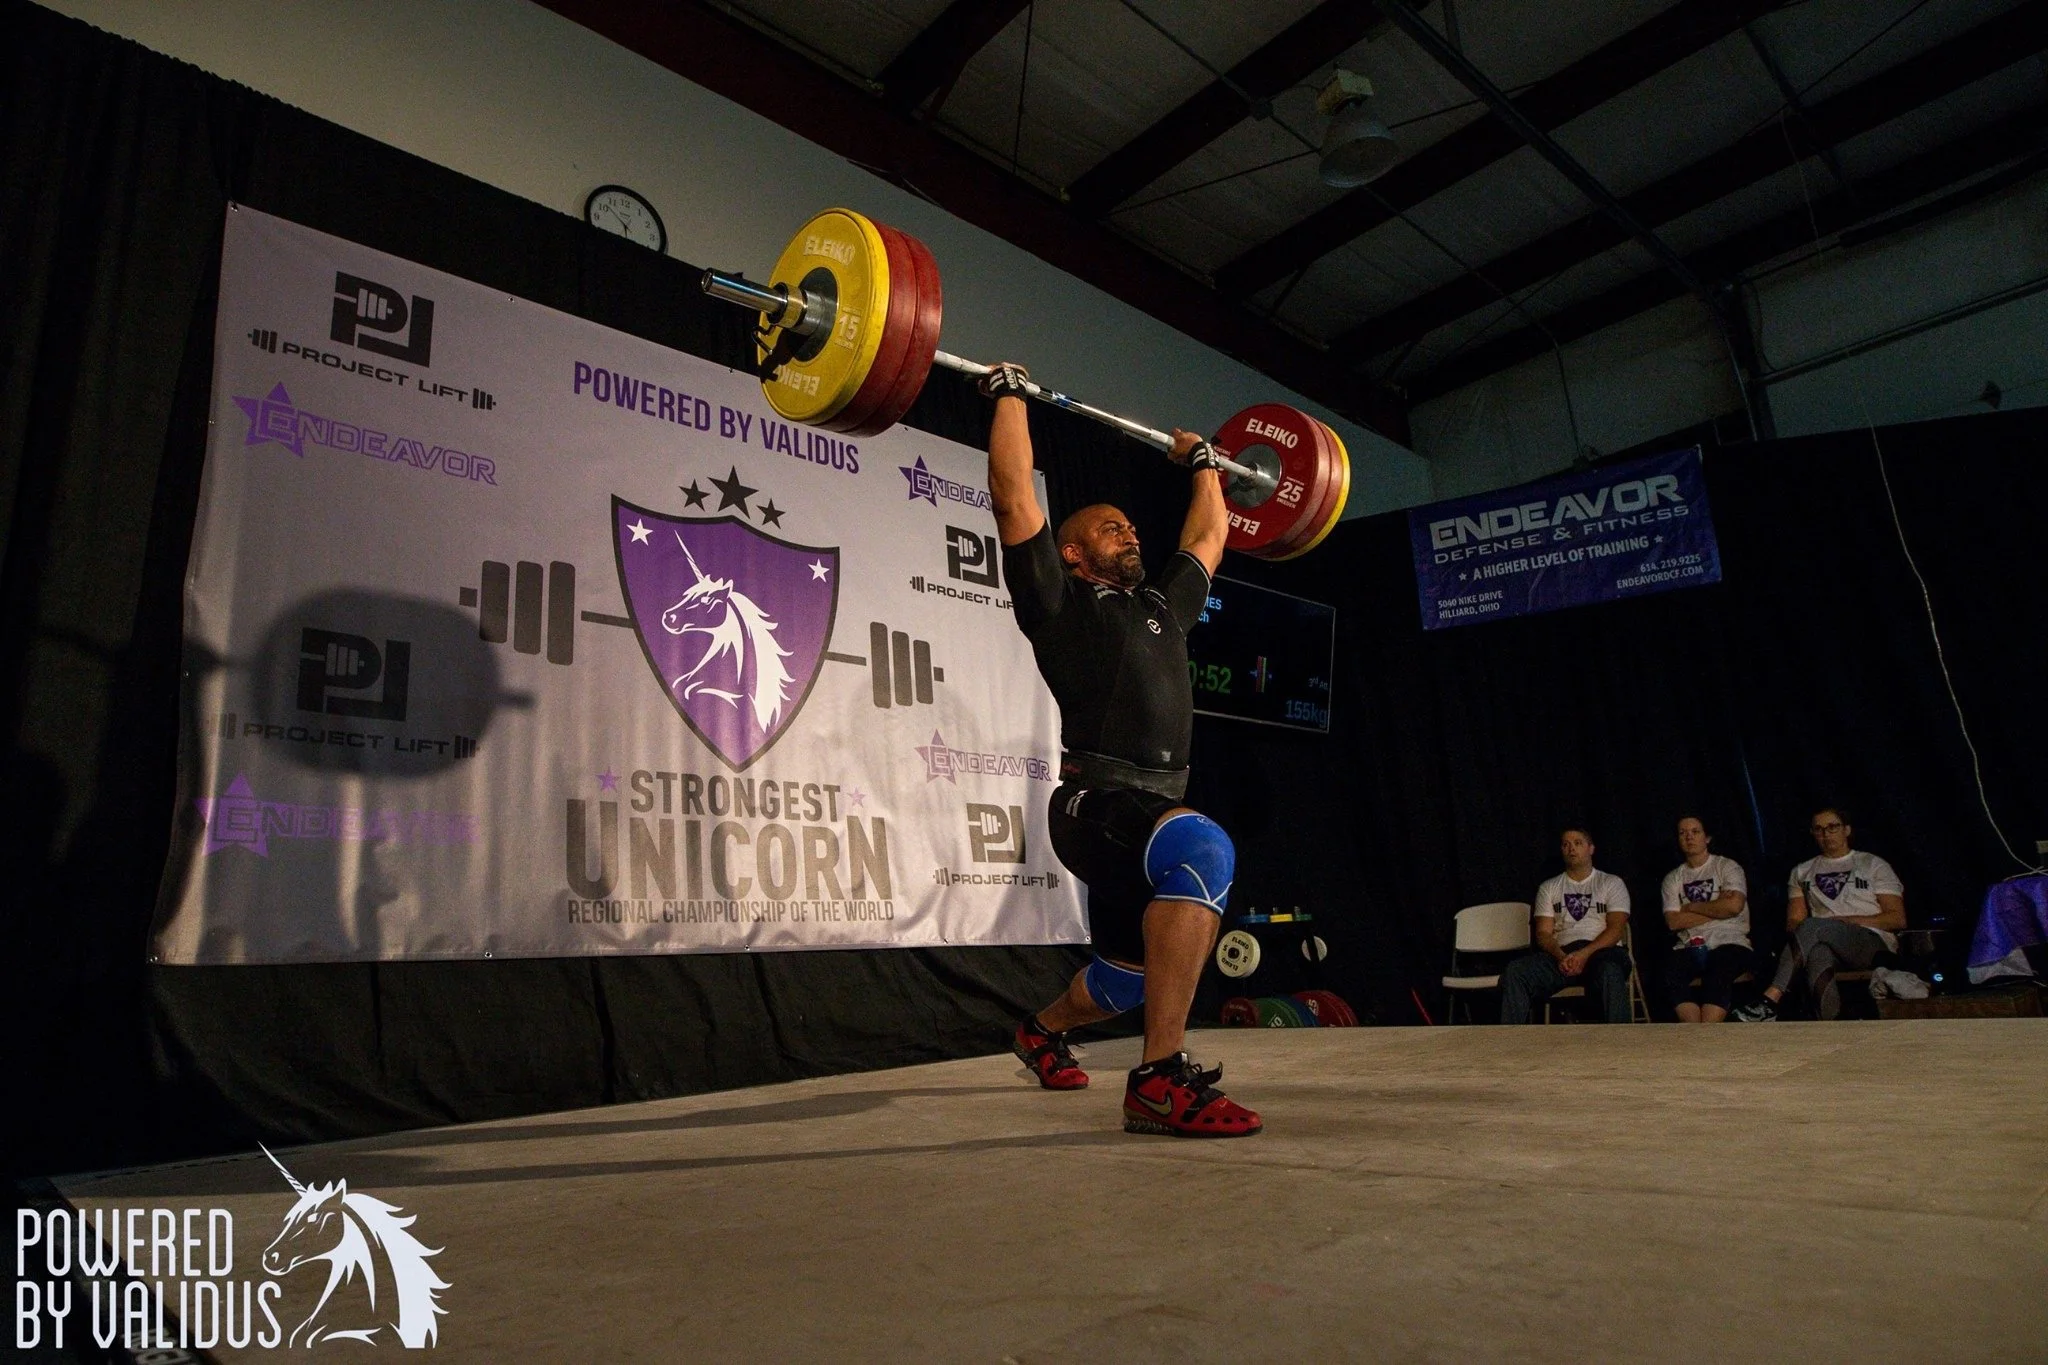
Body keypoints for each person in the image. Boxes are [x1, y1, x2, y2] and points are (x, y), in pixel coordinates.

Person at [979, 362, 1261, 1139]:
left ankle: (1040, 1031)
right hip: (1095, 803)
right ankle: (1158, 1080)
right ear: (1071, 551)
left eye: (1131, 526)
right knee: (1205, 850)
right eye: (1111, 528)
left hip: (1149, 808)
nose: (1130, 532)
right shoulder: (1058, 601)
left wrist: (1203, 463)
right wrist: (1010, 397)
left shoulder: (1163, 607)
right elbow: (1013, 497)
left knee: (1124, 980)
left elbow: (1208, 535)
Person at [1734, 806, 1905, 1022]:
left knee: (1814, 926)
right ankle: (1831, 1025)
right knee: (1818, 954)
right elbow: (1794, 921)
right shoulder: (1802, 871)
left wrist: (1847, 921)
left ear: (1846, 830)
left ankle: (1770, 999)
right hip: (1822, 939)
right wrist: (1815, 930)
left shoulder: (1872, 864)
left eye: (1833, 827)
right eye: (1819, 829)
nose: (1826, 834)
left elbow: (1897, 919)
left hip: (1870, 942)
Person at [1499, 828, 1634, 1024]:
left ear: (1591, 848)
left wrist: (1584, 954)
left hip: (1601, 952)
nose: (1571, 848)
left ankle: (1620, 1040)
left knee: (1611, 970)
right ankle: (1510, 1039)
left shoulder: (1611, 883)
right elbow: (1543, 933)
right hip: (1562, 954)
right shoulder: (1549, 887)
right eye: (1566, 844)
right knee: (1516, 971)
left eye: (1578, 843)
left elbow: (1616, 929)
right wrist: (1561, 956)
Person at [1660, 815, 1750, 1023]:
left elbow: (1734, 907)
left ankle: (1708, 1030)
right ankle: (1695, 1031)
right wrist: (1717, 906)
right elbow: (1673, 922)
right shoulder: (1673, 878)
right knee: (1671, 971)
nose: (1689, 837)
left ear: (1707, 837)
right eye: (1683, 833)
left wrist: (1690, 907)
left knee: (1719, 967)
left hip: (1730, 941)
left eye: (1695, 831)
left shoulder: (1727, 867)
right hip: (1690, 945)